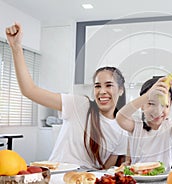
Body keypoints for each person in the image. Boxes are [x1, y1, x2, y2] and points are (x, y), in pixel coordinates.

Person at [5, 23, 127, 169]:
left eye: (109, 85)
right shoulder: (80, 105)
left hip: (86, 179)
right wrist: (16, 48)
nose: (102, 91)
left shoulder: (122, 129)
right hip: (58, 175)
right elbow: (29, 90)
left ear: (121, 90)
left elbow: (105, 171)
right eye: (97, 86)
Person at [116, 76, 172, 170]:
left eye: (164, 105)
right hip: (138, 178)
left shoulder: (169, 126)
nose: (158, 111)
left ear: (170, 104)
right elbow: (120, 118)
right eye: (151, 103)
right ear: (142, 105)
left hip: (164, 179)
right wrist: (147, 95)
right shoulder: (137, 125)